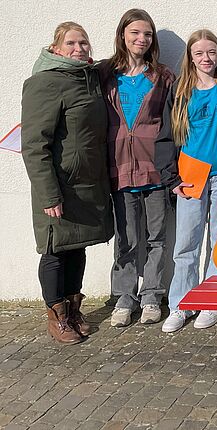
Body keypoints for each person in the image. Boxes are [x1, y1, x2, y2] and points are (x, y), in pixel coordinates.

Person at [21, 22, 113, 344]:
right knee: (55, 251)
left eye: (84, 43)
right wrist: (49, 194)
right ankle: (56, 315)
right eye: (71, 43)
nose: (79, 49)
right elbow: (34, 144)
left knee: (77, 247)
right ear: (56, 48)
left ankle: (74, 310)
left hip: (86, 185)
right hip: (59, 185)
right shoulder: (45, 82)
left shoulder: (88, 78)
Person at [155, 29, 217, 333]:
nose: (206, 58)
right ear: (190, 57)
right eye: (199, 53)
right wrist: (170, 177)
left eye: (212, 52)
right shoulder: (179, 91)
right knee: (187, 242)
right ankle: (182, 303)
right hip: (190, 174)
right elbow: (164, 137)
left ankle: (213, 301)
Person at [98, 9, 176, 328]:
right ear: (123, 35)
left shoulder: (163, 76)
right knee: (126, 238)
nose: (141, 39)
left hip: (154, 168)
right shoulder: (104, 73)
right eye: (135, 33)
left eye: (147, 34)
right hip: (119, 167)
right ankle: (125, 298)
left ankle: (152, 297)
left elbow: (173, 124)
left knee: (156, 236)